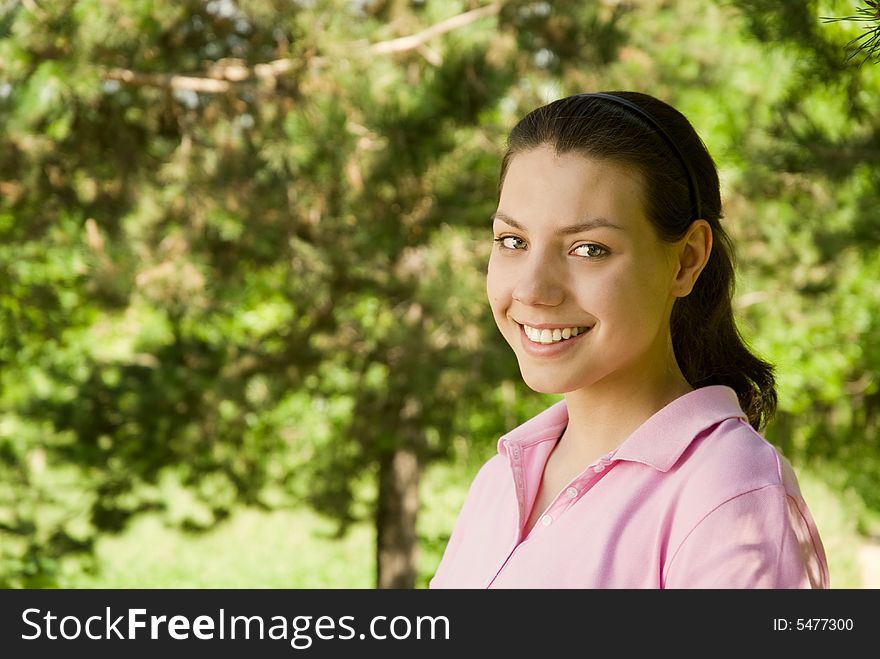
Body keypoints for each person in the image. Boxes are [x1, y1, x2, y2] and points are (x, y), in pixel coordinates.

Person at [429, 91, 829, 589]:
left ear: (686, 260)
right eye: (513, 241)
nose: (532, 289)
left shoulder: (732, 493)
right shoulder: (499, 481)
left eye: (588, 249)